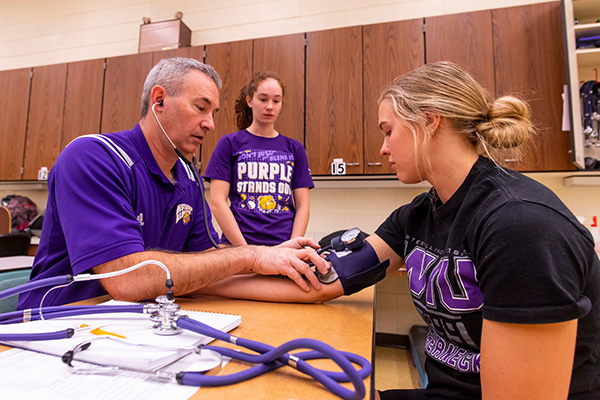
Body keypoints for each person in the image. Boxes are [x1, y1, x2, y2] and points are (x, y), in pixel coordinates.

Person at [197, 62, 600, 399]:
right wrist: (197, 284)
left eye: (388, 130)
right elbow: (320, 284)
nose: (383, 148)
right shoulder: (417, 216)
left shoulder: (520, 226)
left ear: (429, 121)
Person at [18, 57, 328, 310]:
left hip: (130, 325)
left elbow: (209, 271)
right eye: (200, 107)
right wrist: (253, 254)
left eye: (213, 112)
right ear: (159, 99)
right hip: (55, 325)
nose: (210, 123)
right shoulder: (92, 157)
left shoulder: (187, 179)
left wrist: (307, 286)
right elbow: (128, 281)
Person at [204, 72, 313, 246]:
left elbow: (303, 206)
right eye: (263, 99)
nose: (270, 106)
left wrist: (292, 248)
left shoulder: (295, 149)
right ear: (249, 101)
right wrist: (246, 252)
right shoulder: (229, 143)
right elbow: (217, 202)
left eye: (276, 101)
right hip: (239, 248)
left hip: (282, 248)